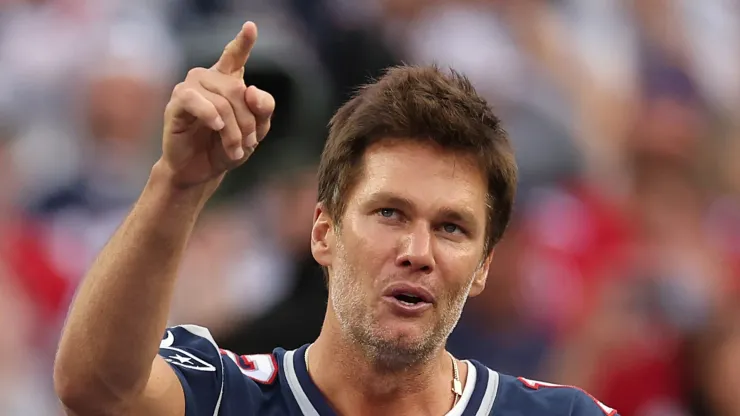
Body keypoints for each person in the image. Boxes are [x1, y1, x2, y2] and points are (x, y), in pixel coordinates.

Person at [53, 21, 619, 416]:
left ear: (482, 267)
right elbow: (96, 391)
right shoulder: (227, 394)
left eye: (451, 227)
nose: (417, 251)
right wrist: (178, 185)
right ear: (323, 231)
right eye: (390, 212)